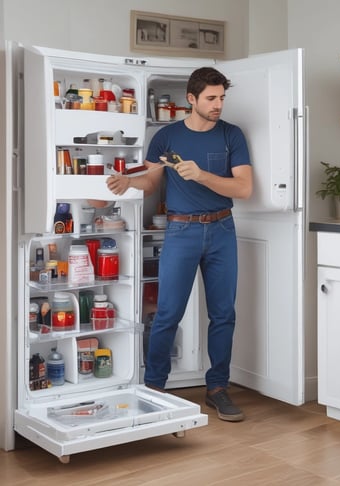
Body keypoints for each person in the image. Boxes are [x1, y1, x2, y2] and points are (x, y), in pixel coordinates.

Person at [107, 67, 253, 422]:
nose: (218, 105)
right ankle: (155, 388)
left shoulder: (231, 136)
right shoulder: (166, 137)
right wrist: (126, 183)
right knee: (168, 313)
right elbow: (150, 181)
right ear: (191, 98)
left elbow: (244, 189)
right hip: (181, 232)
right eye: (211, 98)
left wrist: (201, 175)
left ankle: (217, 387)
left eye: (221, 98)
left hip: (222, 230)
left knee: (223, 314)